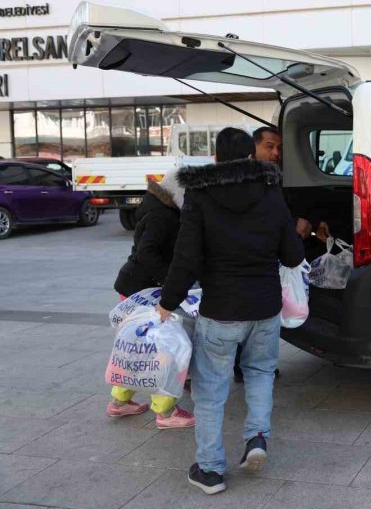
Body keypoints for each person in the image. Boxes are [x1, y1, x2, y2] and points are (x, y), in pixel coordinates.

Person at [156, 128, 304, 495]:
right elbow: (292, 256)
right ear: (251, 155)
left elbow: (186, 258)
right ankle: (256, 438)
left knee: (209, 390)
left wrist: (167, 302)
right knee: (259, 373)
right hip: (266, 308)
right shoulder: (271, 192)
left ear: (217, 157)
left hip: (221, 310)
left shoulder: (200, 195)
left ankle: (209, 470)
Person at [231, 126, 329, 384]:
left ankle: (255, 365)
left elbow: (289, 208)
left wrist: (310, 222)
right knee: (248, 317)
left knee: (264, 318)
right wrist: (293, 227)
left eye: (279, 148)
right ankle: (246, 366)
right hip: (251, 262)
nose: (275, 153)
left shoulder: (276, 176)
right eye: (269, 147)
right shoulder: (246, 180)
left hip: (272, 259)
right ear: (254, 148)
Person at [109, 170, 195, 429]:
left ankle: (119, 401)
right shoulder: (161, 214)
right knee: (161, 350)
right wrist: (170, 282)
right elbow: (148, 252)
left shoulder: (158, 205)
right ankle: (166, 412)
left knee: (138, 348)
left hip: (135, 285)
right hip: (145, 290)